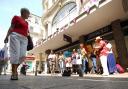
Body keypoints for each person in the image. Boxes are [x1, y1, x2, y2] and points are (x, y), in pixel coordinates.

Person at [4, 8, 30, 80]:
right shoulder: (16, 17)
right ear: (24, 13)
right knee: (15, 54)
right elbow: (11, 27)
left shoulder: (27, 23)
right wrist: (6, 36)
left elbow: (27, 32)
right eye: (28, 14)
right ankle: (14, 72)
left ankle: (14, 69)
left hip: (24, 39)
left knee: (22, 56)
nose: (29, 15)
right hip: (15, 36)